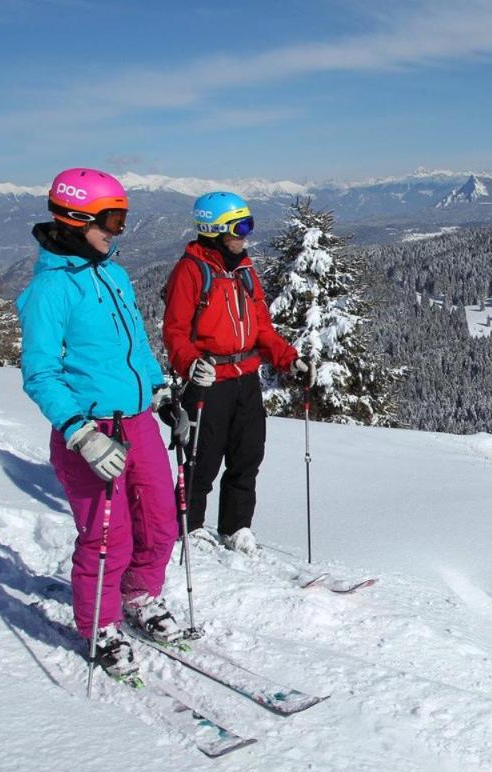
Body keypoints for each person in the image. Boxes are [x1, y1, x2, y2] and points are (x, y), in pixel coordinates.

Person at [17, 168, 183, 680]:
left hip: (136, 422)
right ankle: (100, 624)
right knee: (109, 536)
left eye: (123, 219)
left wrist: (159, 392)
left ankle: (137, 594)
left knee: (161, 521)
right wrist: (80, 433)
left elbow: (134, 344)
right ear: (74, 219)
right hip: (90, 432)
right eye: (111, 219)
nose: (118, 230)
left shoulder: (114, 273)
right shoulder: (50, 291)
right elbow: (39, 373)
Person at [162, 191, 304, 553]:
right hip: (209, 382)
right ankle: (189, 526)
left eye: (248, 227)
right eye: (239, 228)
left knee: (247, 457)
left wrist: (290, 360)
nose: (245, 236)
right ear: (214, 229)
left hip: (245, 381)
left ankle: (235, 526)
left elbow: (262, 330)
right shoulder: (191, 271)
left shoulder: (245, 271)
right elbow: (175, 332)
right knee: (201, 460)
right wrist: (192, 364)